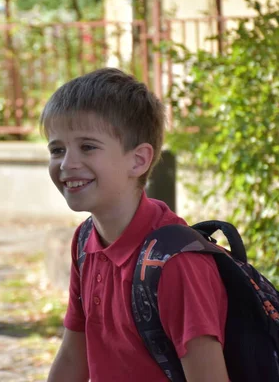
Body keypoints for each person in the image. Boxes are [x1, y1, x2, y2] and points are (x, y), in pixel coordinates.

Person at [42, 68, 229, 382]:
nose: (67, 163)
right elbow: (75, 356)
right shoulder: (85, 240)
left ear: (139, 160)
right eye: (57, 149)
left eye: (87, 146)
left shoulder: (176, 263)